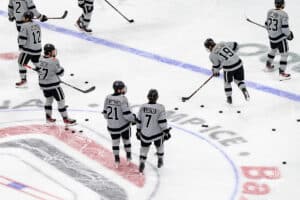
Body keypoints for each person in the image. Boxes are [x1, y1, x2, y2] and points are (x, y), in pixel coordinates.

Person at [35, 43, 76, 125]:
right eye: (53, 51)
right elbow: (60, 73)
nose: (54, 52)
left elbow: (38, 69)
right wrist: (61, 69)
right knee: (61, 101)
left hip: (43, 85)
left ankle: (48, 118)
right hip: (53, 85)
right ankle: (66, 119)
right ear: (49, 52)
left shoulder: (40, 58)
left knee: (49, 100)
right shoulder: (54, 60)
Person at [204, 38, 250, 104]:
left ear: (210, 46)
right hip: (239, 63)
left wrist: (215, 72)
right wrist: (231, 57)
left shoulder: (212, 55)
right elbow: (236, 45)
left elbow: (216, 67)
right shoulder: (222, 43)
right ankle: (244, 89)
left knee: (227, 83)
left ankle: (229, 99)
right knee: (238, 80)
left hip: (229, 68)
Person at [102, 81, 136, 167]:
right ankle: (128, 157)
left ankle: (117, 160)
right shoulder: (123, 99)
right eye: (123, 88)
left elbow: (105, 114)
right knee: (126, 141)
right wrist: (134, 119)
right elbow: (127, 115)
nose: (124, 89)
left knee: (115, 143)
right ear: (120, 90)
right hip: (123, 126)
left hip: (112, 127)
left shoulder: (108, 97)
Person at [136, 89, 171, 174]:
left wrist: (138, 130)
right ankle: (160, 159)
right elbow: (162, 122)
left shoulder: (143, 107)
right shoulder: (160, 107)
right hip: (157, 134)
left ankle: (142, 162)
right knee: (160, 145)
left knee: (144, 149)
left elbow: (138, 120)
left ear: (147, 97)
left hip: (144, 133)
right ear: (157, 97)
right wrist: (166, 131)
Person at [265, 0, 293, 80]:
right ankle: (282, 73)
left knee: (273, 50)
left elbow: (266, 24)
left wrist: (271, 31)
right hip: (280, 39)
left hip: (271, 38)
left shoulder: (269, 11)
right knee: (284, 54)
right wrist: (289, 35)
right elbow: (285, 29)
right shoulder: (284, 14)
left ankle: (268, 66)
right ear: (282, 4)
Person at [16, 11, 42, 87]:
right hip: (38, 49)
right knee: (36, 62)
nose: (22, 18)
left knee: (21, 63)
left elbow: (23, 37)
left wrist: (21, 46)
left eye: (24, 17)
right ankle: (45, 76)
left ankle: (23, 80)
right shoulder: (37, 24)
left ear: (27, 18)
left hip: (28, 50)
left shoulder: (24, 25)